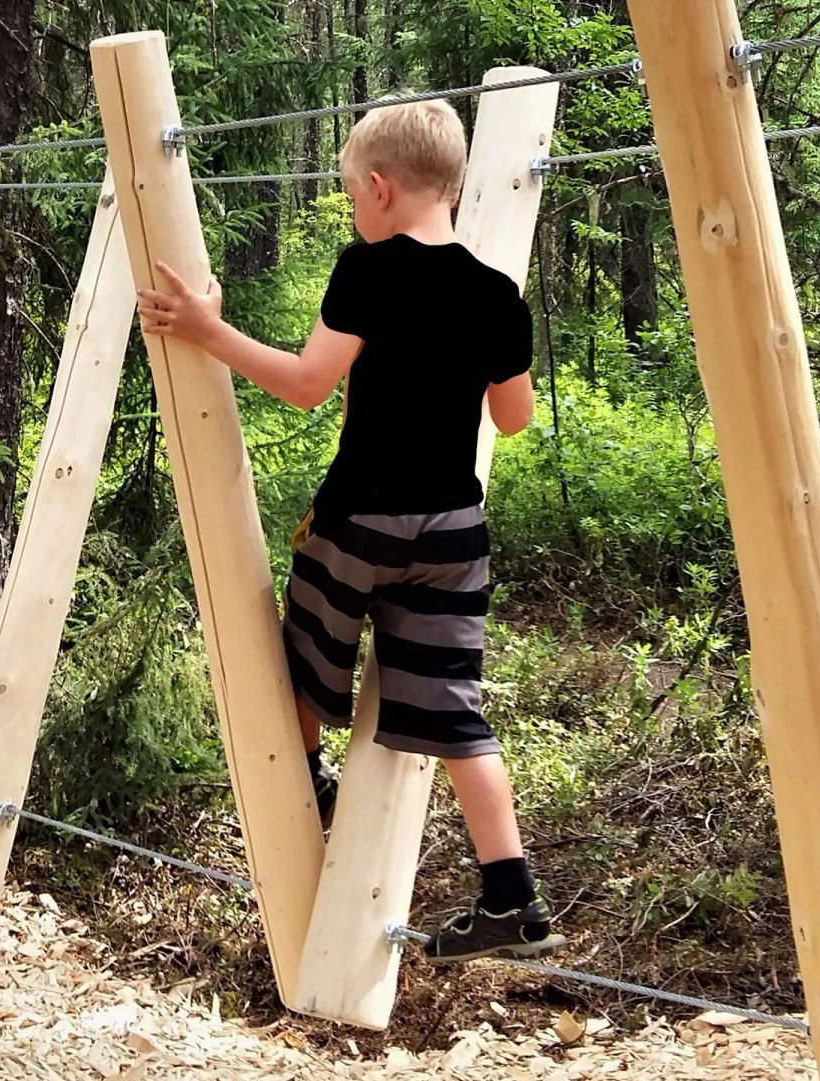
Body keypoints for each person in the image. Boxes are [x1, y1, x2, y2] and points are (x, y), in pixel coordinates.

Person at [133, 96, 562, 964]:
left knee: (303, 665)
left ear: (378, 189)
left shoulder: (365, 271)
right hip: (453, 534)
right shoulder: (496, 294)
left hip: (358, 520)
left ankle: (314, 788)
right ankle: (510, 893)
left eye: (351, 195)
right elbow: (512, 418)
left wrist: (209, 330)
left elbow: (305, 382)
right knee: (453, 709)